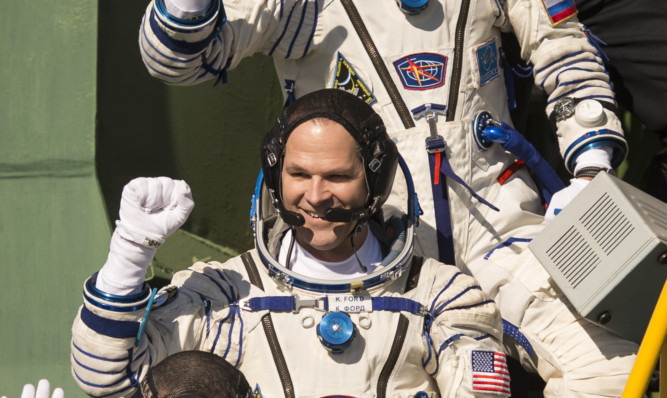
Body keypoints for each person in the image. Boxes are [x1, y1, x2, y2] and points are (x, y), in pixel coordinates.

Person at [136, 0, 639, 395]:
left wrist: (591, 169)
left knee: (606, 373)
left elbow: (564, 48)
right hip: (367, 254)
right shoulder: (300, 6)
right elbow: (183, 56)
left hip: (497, 234)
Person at [71, 89, 509, 397]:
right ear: (277, 180)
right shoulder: (227, 294)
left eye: (338, 176)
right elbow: (106, 378)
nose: (316, 196)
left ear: (374, 184)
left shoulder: (442, 298)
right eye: (299, 175)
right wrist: (129, 254)